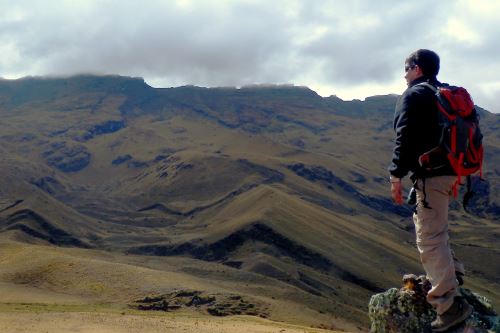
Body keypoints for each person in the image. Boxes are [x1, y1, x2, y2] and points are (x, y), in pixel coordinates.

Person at [388, 49, 473, 332]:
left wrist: (396, 175)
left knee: (429, 237)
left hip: (431, 175)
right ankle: (453, 274)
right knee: (435, 228)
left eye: (407, 67)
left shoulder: (414, 95)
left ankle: (449, 306)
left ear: (418, 68)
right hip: (451, 173)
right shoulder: (445, 94)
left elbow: (405, 135)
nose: (404, 74)